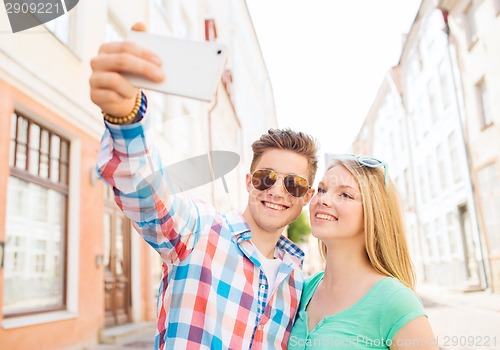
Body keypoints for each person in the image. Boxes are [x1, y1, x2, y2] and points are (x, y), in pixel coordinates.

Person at [90, 24, 319, 349]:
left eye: (293, 184)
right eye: (266, 177)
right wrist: (126, 117)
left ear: (307, 196)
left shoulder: (297, 282)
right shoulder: (199, 231)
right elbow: (146, 192)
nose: (277, 191)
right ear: (249, 182)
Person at [288, 155, 439, 350]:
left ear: (373, 214)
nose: (323, 200)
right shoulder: (303, 289)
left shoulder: (395, 301)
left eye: (345, 195)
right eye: (322, 189)